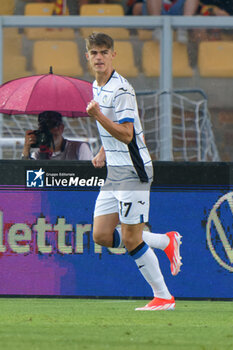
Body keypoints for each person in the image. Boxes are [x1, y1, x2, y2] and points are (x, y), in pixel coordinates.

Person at [85, 32, 182, 311]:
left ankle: (164, 297)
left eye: (104, 52)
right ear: (88, 57)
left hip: (132, 170)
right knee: (101, 235)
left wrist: (98, 117)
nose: (99, 57)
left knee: (130, 239)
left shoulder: (122, 90)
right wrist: (103, 150)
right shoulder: (96, 85)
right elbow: (116, 131)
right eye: (94, 53)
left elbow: (128, 134)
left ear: (113, 55)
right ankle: (165, 241)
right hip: (114, 171)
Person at [22, 110, 93, 160]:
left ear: (61, 128)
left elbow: (89, 175)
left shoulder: (79, 148)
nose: (49, 132)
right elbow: (24, 175)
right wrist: (26, 150)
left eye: (52, 126)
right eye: (44, 128)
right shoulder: (37, 155)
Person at [130, 0, 199, 43]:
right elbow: (137, 7)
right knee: (138, 7)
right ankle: (157, 27)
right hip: (154, 14)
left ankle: (183, 28)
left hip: (179, 14)